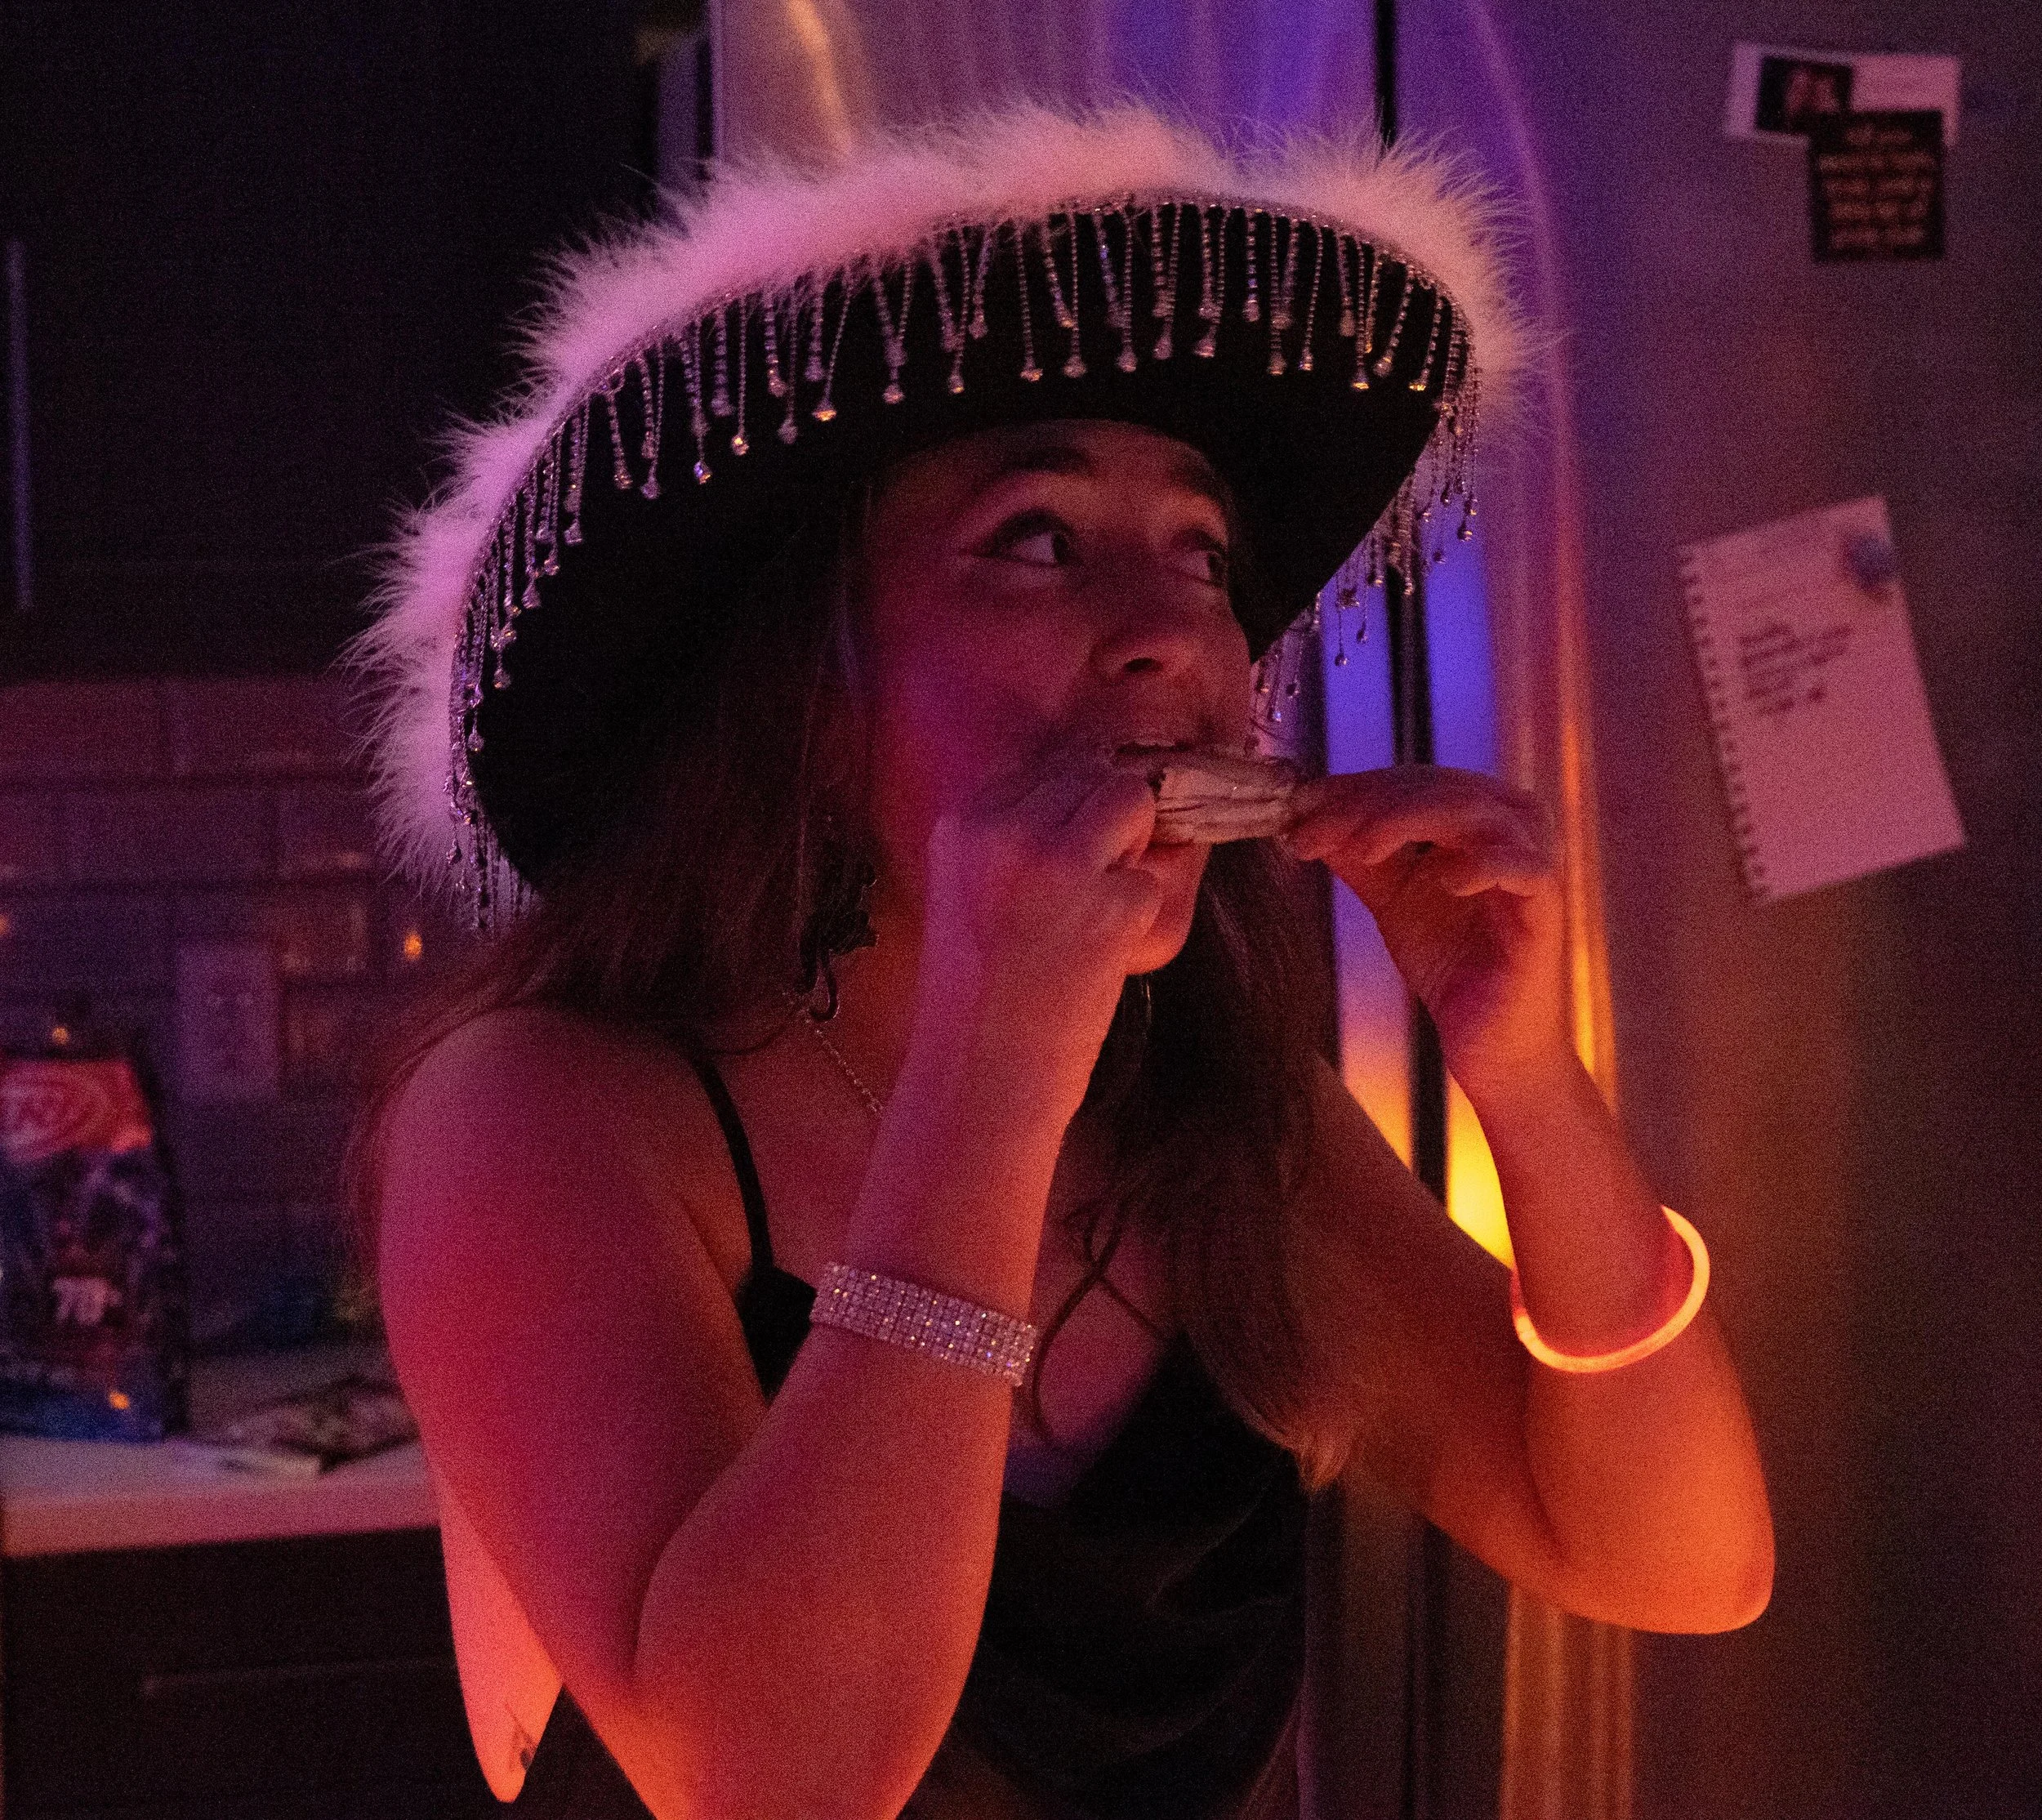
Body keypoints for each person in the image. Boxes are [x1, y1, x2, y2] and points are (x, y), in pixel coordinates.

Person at [348, 106, 1772, 1820]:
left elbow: (1677, 1560)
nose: (1172, 629)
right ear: (802, 682)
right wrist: (996, 1054)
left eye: (1201, 552)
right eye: (1034, 536)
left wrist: (1528, 1085)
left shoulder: (1214, 1123)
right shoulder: (536, 1115)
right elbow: (769, 1778)